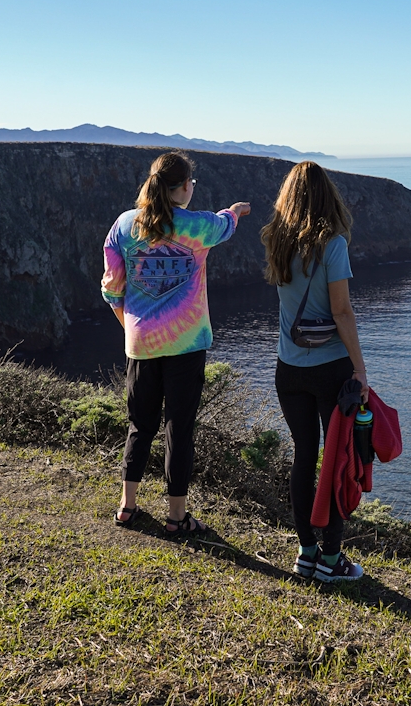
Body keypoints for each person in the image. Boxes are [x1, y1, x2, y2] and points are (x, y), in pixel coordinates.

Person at [102, 151, 250, 536]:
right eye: (191, 184)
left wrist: (130, 328)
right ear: (185, 187)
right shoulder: (196, 227)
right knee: (178, 429)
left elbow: (112, 289)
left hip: (141, 346)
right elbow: (225, 224)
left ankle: (126, 508)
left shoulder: (123, 226)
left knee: (140, 426)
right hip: (186, 345)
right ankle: (176, 517)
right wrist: (234, 211)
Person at [261, 161, 368, 582]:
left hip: (288, 369)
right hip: (330, 371)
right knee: (336, 461)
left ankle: (305, 552)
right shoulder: (333, 244)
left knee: (303, 458)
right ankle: (330, 560)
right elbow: (341, 310)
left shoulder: (275, 239)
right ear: (329, 196)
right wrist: (360, 369)